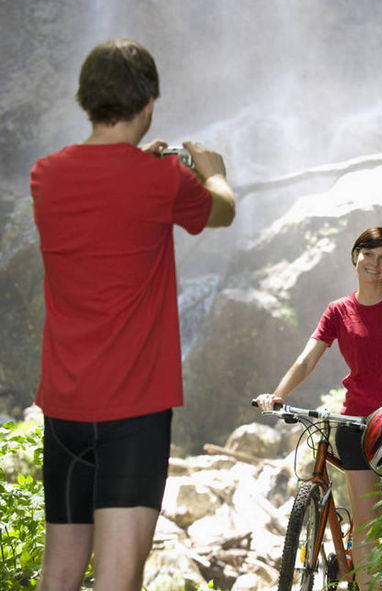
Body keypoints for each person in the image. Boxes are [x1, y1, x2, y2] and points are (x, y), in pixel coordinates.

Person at [30, 38, 236, 591]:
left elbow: (107, 199)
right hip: (134, 414)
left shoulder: (45, 176)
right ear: (149, 103)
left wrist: (140, 170)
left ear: (85, 100)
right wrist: (213, 172)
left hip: (66, 409)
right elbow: (222, 212)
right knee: (118, 582)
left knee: (59, 577)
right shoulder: (165, 182)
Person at [255, 226, 382, 591]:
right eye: (369, 253)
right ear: (355, 254)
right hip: (356, 426)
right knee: (367, 525)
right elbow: (307, 361)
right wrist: (276, 395)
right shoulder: (338, 311)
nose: (374, 262)